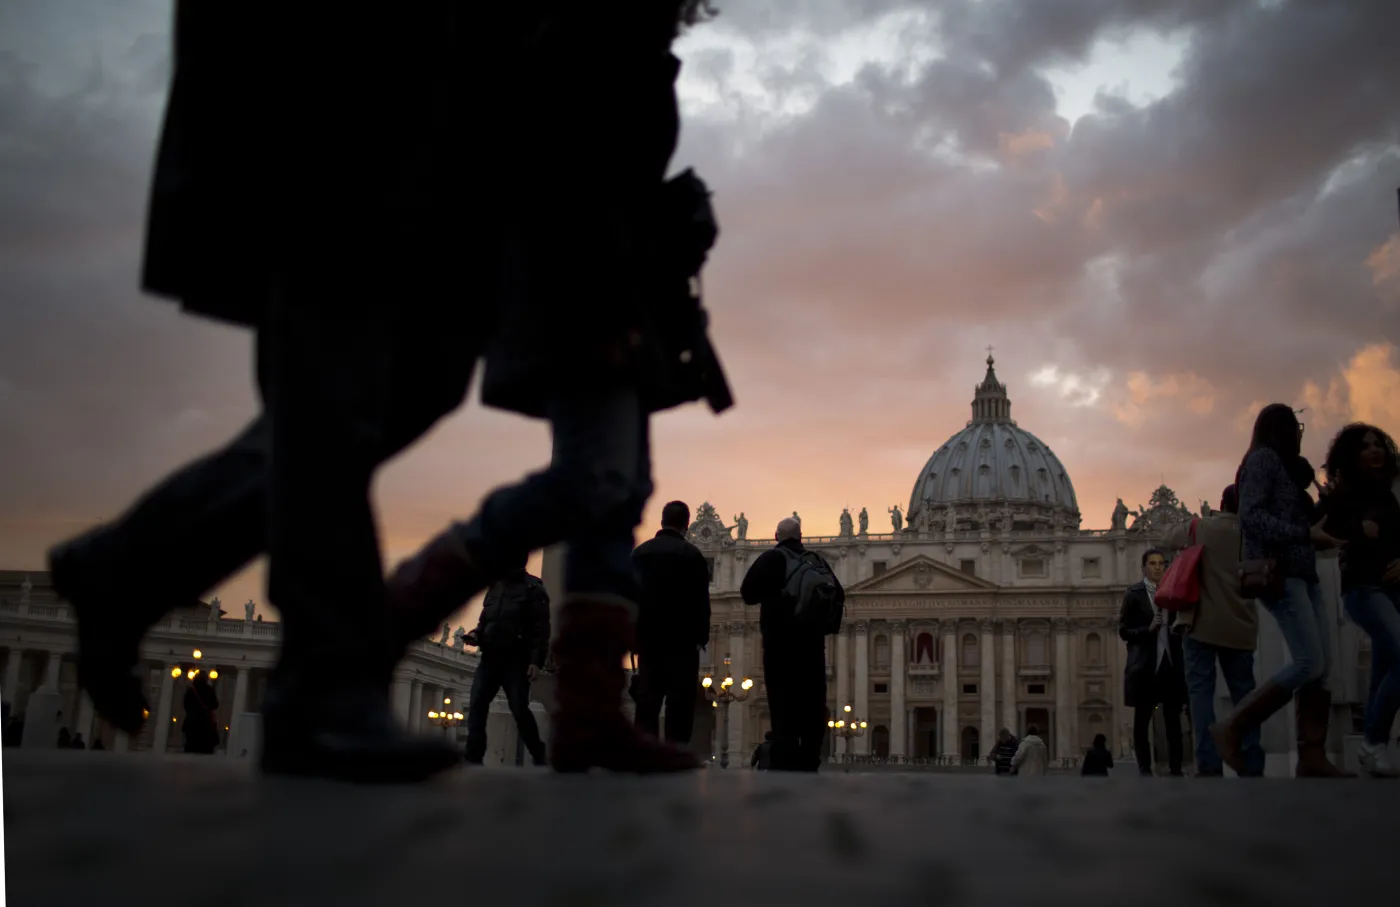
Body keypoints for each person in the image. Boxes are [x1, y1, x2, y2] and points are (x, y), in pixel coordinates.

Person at [378, 3, 729, 775]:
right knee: (593, 478)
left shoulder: (629, 42)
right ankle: (396, 611)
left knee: (618, 493)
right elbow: (564, 173)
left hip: (615, 291)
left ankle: (591, 714)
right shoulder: (587, 34)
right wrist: (604, 284)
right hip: (582, 295)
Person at [1212, 403, 1352, 778]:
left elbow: (1301, 520)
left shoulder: (1291, 472)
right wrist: (1304, 534)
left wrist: (1330, 503)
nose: (1302, 432)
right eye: (1297, 426)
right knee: (1308, 661)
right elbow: (1252, 516)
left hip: (1304, 573)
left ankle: (1311, 755)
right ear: (1283, 428)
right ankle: (1233, 727)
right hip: (1279, 573)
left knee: (1322, 668)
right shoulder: (1261, 462)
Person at [1161, 485, 1264, 777]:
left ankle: (1208, 762)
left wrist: (1196, 521)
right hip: (1241, 624)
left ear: (1222, 504)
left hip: (1201, 625)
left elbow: (1167, 537)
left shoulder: (1201, 527)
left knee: (1200, 696)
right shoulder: (1253, 534)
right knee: (1245, 695)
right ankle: (1252, 758)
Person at [1322, 423, 1400, 777]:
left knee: (1383, 668)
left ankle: (1374, 746)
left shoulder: (1386, 492)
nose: (1375, 450)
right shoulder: (1344, 494)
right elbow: (1325, 530)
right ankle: (1373, 741)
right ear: (1352, 455)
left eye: (1379, 444)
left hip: (1393, 589)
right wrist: (1358, 530)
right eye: (1366, 446)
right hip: (1364, 588)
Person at [739, 518, 843, 772]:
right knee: (813, 702)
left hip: (780, 645)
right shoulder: (817, 561)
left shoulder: (772, 559)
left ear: (776, 536)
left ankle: (785, 759)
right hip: (813, 647)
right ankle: (810, 759)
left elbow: (747, 593)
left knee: (782, 700)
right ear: (801, 536)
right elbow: (838, 595)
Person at [631, 501, 712, 747]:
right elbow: (701, 602)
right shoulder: (693, 555)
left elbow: (629, 597)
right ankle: (675, 751)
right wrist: (701, 638)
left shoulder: (641, 553)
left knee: (647, 700)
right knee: (680, 701)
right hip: (682, 643)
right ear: (686, 525)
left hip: (648, 640)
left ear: (662, 520)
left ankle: (645, 750)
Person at [461, 553, 550, 766]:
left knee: (519, 709)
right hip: (490, 657)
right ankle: (473, 757)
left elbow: (541, 630)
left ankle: (539, 755)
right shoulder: (495, 586)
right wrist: (476, 634)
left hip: (516, 660)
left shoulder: (533, 589)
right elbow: (485, 621)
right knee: (477, 705)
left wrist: (536, 662)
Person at [1119, 549, 1186, 776]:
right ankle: (1144, 768)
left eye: (1161, 563)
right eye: (1153, 563)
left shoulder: (1175, 593)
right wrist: (1147, 630)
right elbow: (1123, 631)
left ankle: (1176, 768)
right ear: (1143, 568)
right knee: (1142, 722)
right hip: (1145, 665)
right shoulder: (1133, 594)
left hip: (1170, 664)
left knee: (1173, 723)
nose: (1158, 567)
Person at [182, 674, 221, 755]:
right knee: (205, 745)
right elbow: (215, 705)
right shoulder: (210, 690)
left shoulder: (190, 690)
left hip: (192, 721)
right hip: (205, 722)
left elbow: (186, 705)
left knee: (190, 744)